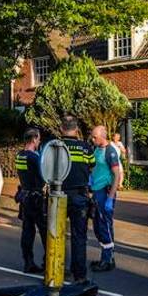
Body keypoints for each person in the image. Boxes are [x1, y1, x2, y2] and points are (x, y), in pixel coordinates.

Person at [56, 116, 95, 282]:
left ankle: (56, 270)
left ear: (61, 129)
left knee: (57, 234)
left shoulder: (55, 147)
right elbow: (91, 166)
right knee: (79, 237)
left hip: (58, 195)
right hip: (79, 196)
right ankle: (79, 276)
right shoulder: (85, 148)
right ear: (76, 129)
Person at [88, 124, 123, 272]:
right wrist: (91, 178)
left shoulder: (111, 151)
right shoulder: (97, 149)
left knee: (104, 225)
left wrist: (110, 198)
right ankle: (106, 257)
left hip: (105, 192)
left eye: (95, 137)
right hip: (97, 191)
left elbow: (116, 175)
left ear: (103, 136)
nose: (93, 139)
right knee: (99, 225)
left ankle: (107, 259)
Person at [14, 128, 47, 273]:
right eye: (38, 139)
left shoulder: (19, 155)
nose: (39, 141)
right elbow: (43, 177)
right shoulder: (34, 158)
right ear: (34, 139)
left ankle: (28, 262)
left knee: (27, 231)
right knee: (45, 230)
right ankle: (48, 262)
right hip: (36, 198)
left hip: (25, 197)